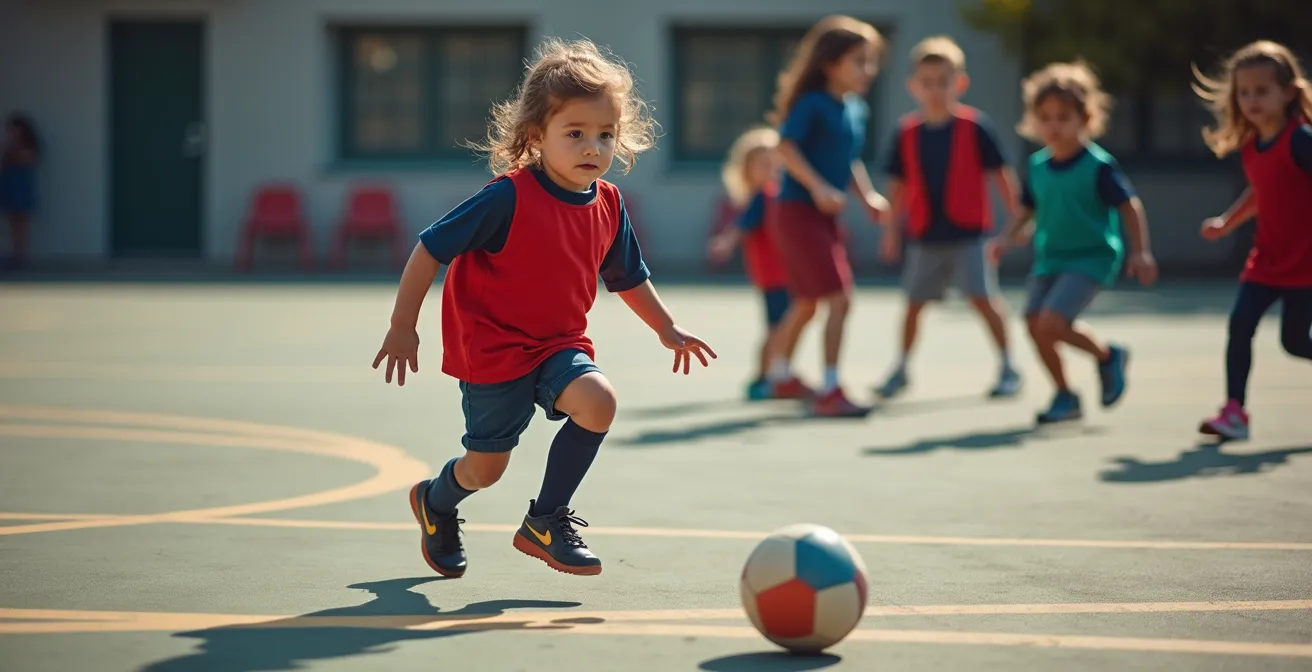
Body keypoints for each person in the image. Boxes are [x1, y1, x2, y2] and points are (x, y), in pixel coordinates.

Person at [372, 38, 716, 578]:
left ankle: (545, 520)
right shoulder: (506, 198)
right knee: (486, 470)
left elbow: (627, 277)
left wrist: (667, 328)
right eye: (575, 133)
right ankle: (436, 502)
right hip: (492, 349)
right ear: (537, 137)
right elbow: (429, 248)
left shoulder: (608, 204)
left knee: (599, 401)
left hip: (558, 344)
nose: (592, 147)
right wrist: (401, 327)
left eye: (605, 135)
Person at [993, 61, 1158, 424]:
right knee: (1035, 324)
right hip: (1050, 258)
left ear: (1085, 118)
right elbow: (1027, 208)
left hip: (1091, 257)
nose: (1053, 125)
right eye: (1045, 117)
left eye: (1063, 117)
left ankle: (1106, 356)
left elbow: (1129, 205)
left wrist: (1141, 250)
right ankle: (1065, 396)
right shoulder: (1037, 166)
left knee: (1052, 321)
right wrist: (1007, 238)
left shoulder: (1098, 166)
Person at [877, 36, 1022, 400]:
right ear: (914, 86)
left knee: (983, 299)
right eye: (927, 83)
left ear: (960, 82)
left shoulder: (976, 127)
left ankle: (1008, 365)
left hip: (968, 234)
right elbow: (898, 188)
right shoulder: (906, 132)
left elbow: (1001, 177)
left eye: (943, 81)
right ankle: (901, 367)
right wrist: (891, 232)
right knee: (912, 306)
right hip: (925, 235)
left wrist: (1017, 221)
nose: (935, 90)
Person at [767, 15, 889, 418]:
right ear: (829, 64)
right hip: (797, 214)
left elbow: (848, 159)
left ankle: (780, 375)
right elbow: (786, 147)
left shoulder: (855, 110)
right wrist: (818, 187)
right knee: (839, 299)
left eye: (871, 61)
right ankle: (830, 390)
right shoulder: (812, 103)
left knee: (807, 302)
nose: (868, 70)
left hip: (823, 218)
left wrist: (868, 196)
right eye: (859, 61)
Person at [1192, 40, 1312, 440]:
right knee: (1240, 324)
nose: (1251, 100)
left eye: (1262, 91)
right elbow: (1262, 191)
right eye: (1244, 92)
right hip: (1267, 261)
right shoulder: (1252, 144)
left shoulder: (1301, 140)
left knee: (1295, 343)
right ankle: (1234, 412)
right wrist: (1227, 222)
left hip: (1306, 265)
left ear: (1288, 92)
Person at [707, 127, 814, 401]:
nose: (772, 169)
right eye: (764, 164)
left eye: (775, 162)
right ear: (748, 171)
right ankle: (764, 378)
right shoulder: (762, 196)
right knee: (777, 328)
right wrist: (727, 242)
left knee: (785, 325)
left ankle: (779, 372)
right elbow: (741, 226)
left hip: (789, 274)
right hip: (773, 277)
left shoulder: (782, 195)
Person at [0, 113, 40, 269]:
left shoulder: (29, 145)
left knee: (21, 221)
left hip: (22, 184)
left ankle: (21, 254)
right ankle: (15, 252)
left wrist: (14, 156)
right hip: (9, 183)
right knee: (12, 220)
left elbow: (28, 159)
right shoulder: (9, 146)